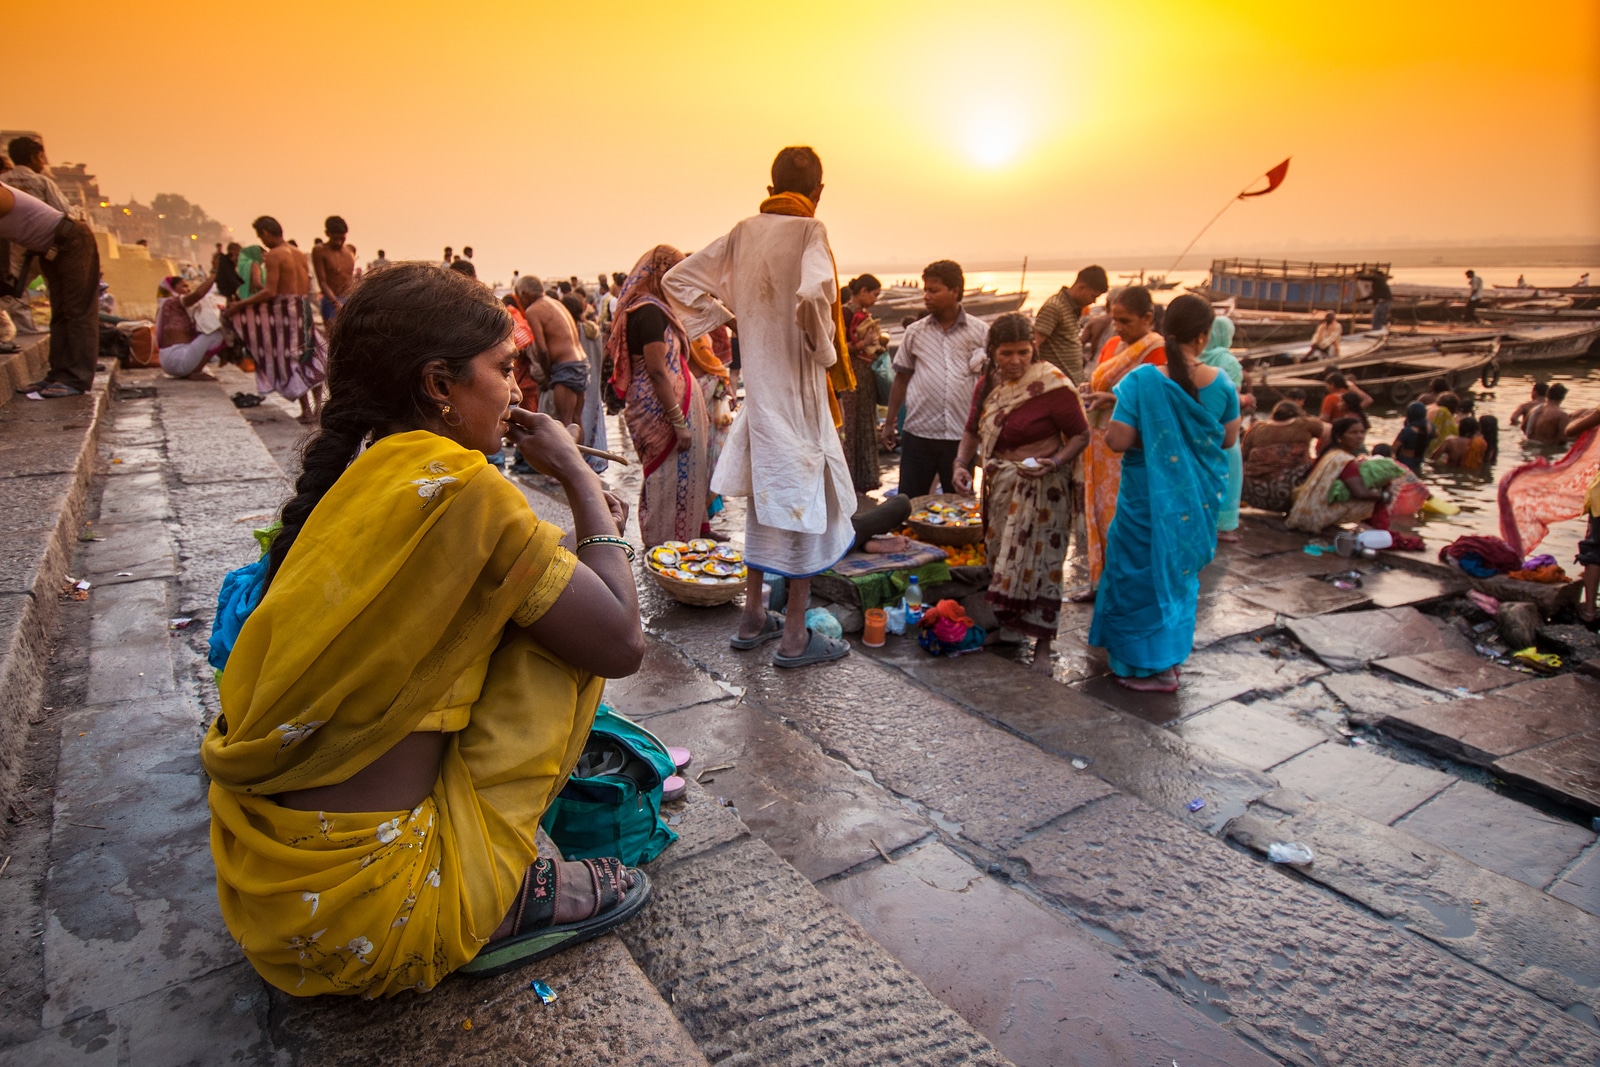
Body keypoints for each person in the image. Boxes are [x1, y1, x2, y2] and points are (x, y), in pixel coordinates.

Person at [202, 262, 650, 998]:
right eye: (505, 369)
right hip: (374, 917)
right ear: (439, 385)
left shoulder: (365, 475)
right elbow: (622, 640)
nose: (514, 391)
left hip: (271, 898)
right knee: (564, 631)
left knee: (535, 588)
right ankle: (500, 898)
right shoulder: (465, 492)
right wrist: (577, 476)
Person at [663, 145, 857, 668]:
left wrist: (731, 317)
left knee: (766, 508)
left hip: (762, 396)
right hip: (799, 399)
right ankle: (795, 636)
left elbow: (675, 281)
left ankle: (753, 617)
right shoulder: (811, 230)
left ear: (771, 190)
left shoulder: (744, 231)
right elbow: (816, 294)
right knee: (804, 514)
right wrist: (824, 349)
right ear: (818, 192)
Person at [1088, 294, 1236, 693]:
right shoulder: (1222, 382)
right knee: (1178, 577)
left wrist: (1150, 432)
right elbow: (1227, 439)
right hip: (1194, 502)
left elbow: (1117, 440)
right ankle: (1169, 664)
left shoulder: (1142, 381)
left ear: (1165, 331)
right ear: (1203, 338)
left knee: (1135, 575)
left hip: (1145, 501)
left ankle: (1142, 668)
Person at [951, 313, 1089, 671]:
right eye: (1007, 353)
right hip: (1001, 487)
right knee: (1001, 561)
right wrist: (960, 465)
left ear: (1034, 350)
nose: (1015, 361)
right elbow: (971, 430)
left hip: (1044, 491)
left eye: (1023, 353)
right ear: (993, 351)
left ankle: (1042, 646)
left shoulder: (1052, 384)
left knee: (1042, 567)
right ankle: (1010, 631)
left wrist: (1057, 462)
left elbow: (1080, 434)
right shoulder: (988, 384)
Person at [607, 246, 711, 544]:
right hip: (660, 408)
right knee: (665, 476)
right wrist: (678, 422)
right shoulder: (649, 311)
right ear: (661, 275)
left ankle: (684, 533)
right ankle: (664, 541)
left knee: (681, 475)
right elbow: (657, 371)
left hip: (667, 403)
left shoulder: (655, 307)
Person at [1077, 286, 1167, 594]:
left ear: (1148, 318)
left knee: (1121, 516)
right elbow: (1099, 378)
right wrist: (1089, 391)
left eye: (1125, 321)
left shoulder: (1155, 350)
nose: (1118, 327)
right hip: (1098, 441)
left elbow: (1157, 401)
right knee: (1096, 512)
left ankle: (1122, 584)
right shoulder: (1113, 344)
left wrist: (1113, 399)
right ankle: (1100, 580)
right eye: (1115, 319)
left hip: (1127, 445)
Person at [881, 260, 988, 497]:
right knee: (910, 502)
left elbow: (990, 383)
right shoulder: (915, 332)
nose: (926, 296)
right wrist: (889, 423)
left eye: (934, 290)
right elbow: (901, 378)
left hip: (961, 436)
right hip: (919, 433)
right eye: (925, 290)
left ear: (955, 292)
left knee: (958, 503)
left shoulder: (980, 332)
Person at [0, 183, 100, 399]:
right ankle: (57, 375)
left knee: (77, 312)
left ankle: (75, 379)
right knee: (61, 313)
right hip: (49, 250)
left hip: (72, 240)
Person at [223, 216, 325, 423]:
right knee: (311, 356)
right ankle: (319, 408)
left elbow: (270, 291)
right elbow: (304, 286)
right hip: (302, 307)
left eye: (261, 236)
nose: (262, 241)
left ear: (266, 233)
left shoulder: (274, 255)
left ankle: (306, 410)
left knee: (291, 359)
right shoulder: (299, 254)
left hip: (285, 311)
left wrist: (240, 305)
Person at [1287, 418, 1404, 533]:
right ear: (1339, 437)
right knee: (1376, 492)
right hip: (1315, 517)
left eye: (1362, 432)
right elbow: (1360, 493)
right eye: (1353, 433)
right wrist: (1385, 496)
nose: (1360, 436)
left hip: (1305, 512)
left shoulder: (1331, 453)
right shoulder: (1345, 460)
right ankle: (1378, 530)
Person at [514, 274, 589, 429]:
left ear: (524, 294)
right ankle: (580, 454)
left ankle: (569, 454)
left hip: (564, 367)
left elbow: (542, 348)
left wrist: (547, 376)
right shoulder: (556, 303)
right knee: (576, 421)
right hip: (581, 363)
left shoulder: (533, 310)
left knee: (564, 423)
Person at [1199, 316, 1244, 541]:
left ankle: (1205, 521)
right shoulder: (1227, 360)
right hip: (1224, 426)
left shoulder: (1198, 356)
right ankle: (1224, 525)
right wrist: (1247, 399)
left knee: (1204, 476)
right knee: (1229, 474)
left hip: (1200, 427)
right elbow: (1232, 398)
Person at [840, 274, 886, 493]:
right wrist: (862, 344)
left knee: (865, 424)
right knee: (850, 428)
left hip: (864, 377)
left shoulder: (863, 314)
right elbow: (837, 348)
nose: (875, 300)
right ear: (864, 291)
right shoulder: (846, 312)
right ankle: (848, 481)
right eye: (875, 295)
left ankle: (863, 480)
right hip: (851, 378)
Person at [1240, 402, 1329, 512]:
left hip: (1252, 493)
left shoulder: (1256, 428)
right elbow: (1334, 432)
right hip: (1288, 494)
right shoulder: (1304, 424)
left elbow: (1243, 456)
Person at [1032, 266, 1109, 382]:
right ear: (1081, 287)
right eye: (1093, 296)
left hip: (1072, 382)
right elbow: (1034, 344)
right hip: (1056, 383)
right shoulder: (1055, 307)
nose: (1094, 301)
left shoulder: (1072, 308)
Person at [156, 274, 225, 379]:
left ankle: (193, 369)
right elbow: (198, 294)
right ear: (172, 289)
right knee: (219, 334)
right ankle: (196, 372)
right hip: (178, 359)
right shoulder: (172, 302)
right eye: (184, 286)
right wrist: (215, 275)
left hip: (170, 361)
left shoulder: (166, 306)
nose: (188, 290)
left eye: (188, 286)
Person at [311, 216, 356, 323]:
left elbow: (350, 278)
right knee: (332, 336)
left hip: (348, 299)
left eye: (342, 238)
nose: (338, 242)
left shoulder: (350, 251)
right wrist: (335, 303)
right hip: (331, 300)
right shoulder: (320, 251)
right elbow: (322, 282)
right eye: (335, 239)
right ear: (327, 234)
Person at [1392, 402, 1435, 475]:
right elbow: (1436, 435)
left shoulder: (1407, 431)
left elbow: (1394, 448)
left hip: (1404, 461)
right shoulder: (1430, 428)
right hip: (1419, 460)